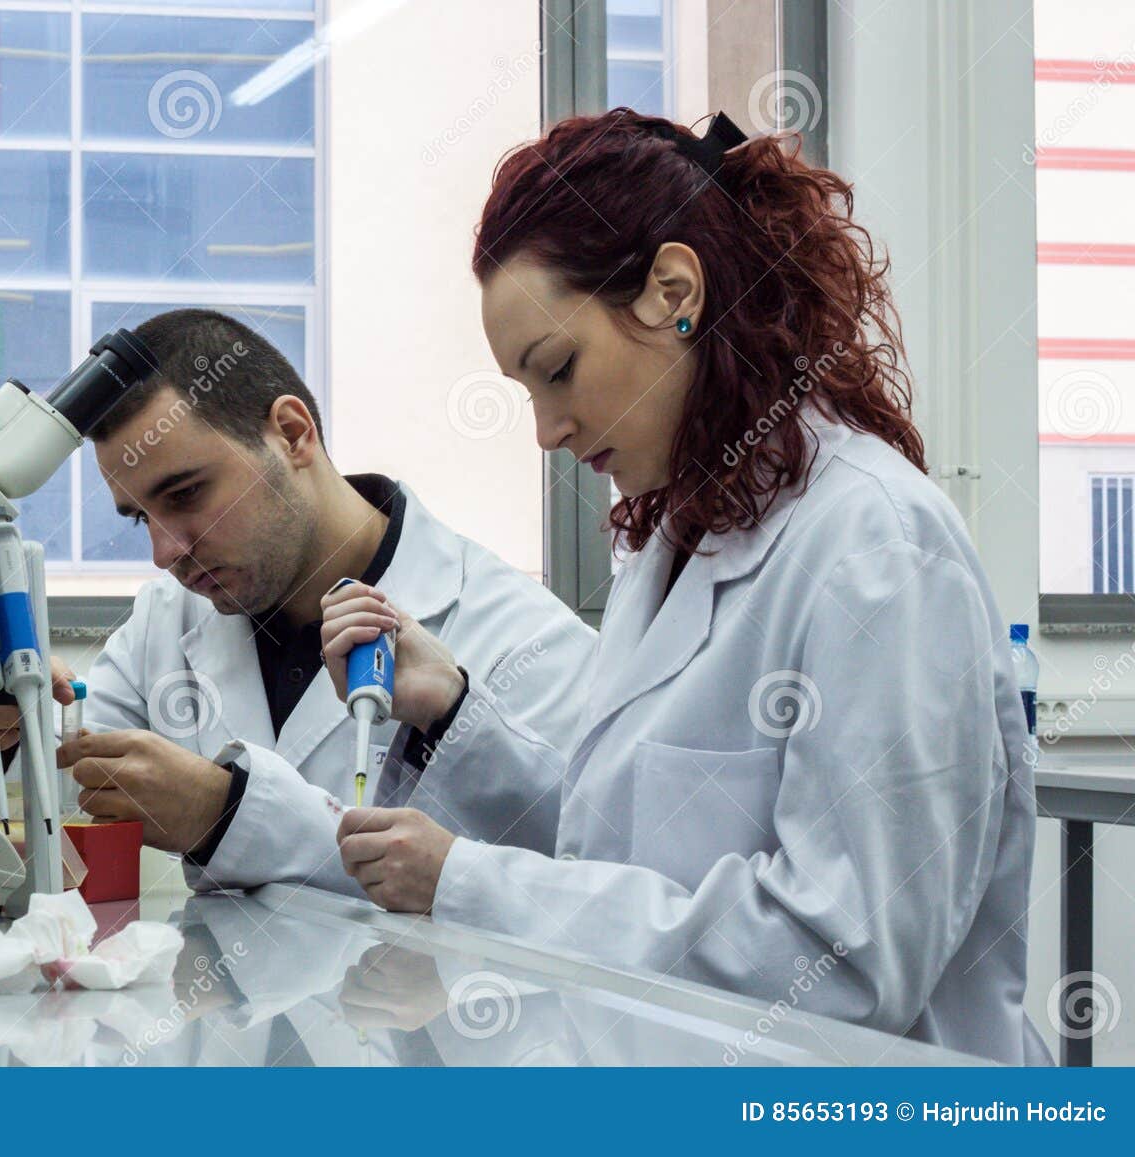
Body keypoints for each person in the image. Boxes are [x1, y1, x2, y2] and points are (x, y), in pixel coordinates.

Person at [321, 111, 1051, 1065]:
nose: (545, 430)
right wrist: (453, 710)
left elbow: (844, 960)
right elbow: (623, 850)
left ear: (675, 291)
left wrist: (468, 882)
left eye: (558, 370)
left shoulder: (874, 542)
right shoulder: (676, 538)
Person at [52, 307, 595, 893]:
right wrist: (9, 722)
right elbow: (63, 764)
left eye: (185, 494)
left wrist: (229, 814)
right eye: (141, 520)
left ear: (292, 433)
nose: (165, 552)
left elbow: (577, 888)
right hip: (218, 984)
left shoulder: (523, 637)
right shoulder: (169, 616)